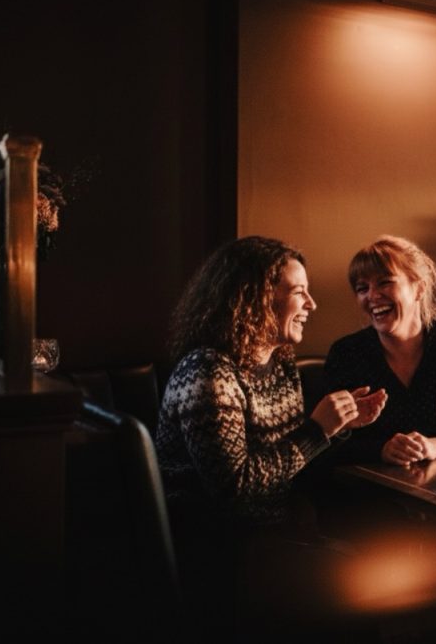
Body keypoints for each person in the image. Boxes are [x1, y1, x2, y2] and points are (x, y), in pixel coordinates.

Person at [154, 236, 387, 636]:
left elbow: (288, 468)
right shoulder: (208, 373)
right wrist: (318, 431)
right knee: (365, 580)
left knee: (385, 559)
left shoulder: (280, 366)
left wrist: (338, 431)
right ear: (256, 299)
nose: (311, 305)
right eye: (299, 292)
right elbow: (235, 490)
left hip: (277, 539)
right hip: (218, 552)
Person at [323, 235, 436, 466]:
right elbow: (329, 442)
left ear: (419, 288)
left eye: (384, 282)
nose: (372, 296)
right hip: (373, 493)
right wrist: (381, 450)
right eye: (362, 288)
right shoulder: (347, 353)